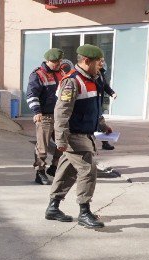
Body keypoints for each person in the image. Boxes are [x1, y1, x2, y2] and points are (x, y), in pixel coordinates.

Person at [45, 44, 110, 229]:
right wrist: (61, 139)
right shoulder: (72, 81)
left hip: (85, 133)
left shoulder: (93, 79)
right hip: (74, 134)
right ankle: (84, 212)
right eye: (99, 62)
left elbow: (94, 107)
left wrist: (102, 124)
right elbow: (61, 112)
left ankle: (53, 207)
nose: (101, 65)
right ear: (86, 61)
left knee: (67, 170)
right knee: (88, 170)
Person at [26, 48, 65, 185]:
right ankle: (40, 172)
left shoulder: (62, 73)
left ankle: (54, 167)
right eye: (54, 61)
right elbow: (31, 95)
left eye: (59, 61)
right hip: (45, 116)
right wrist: (37, 111)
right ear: (47, 60)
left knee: (62, 144)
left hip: (60, 116)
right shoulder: (38, 75)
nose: (57, 64)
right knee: (42, 147)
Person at [96, 59, 117, 151]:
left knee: (101, 123)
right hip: (91, 104)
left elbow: (105, 85)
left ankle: (105, 142)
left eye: (103, 61)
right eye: (100, 61)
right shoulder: (90, 74)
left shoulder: (100, 73)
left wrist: (112, 93)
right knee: (97, 124)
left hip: (97, 103)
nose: (102, 63)